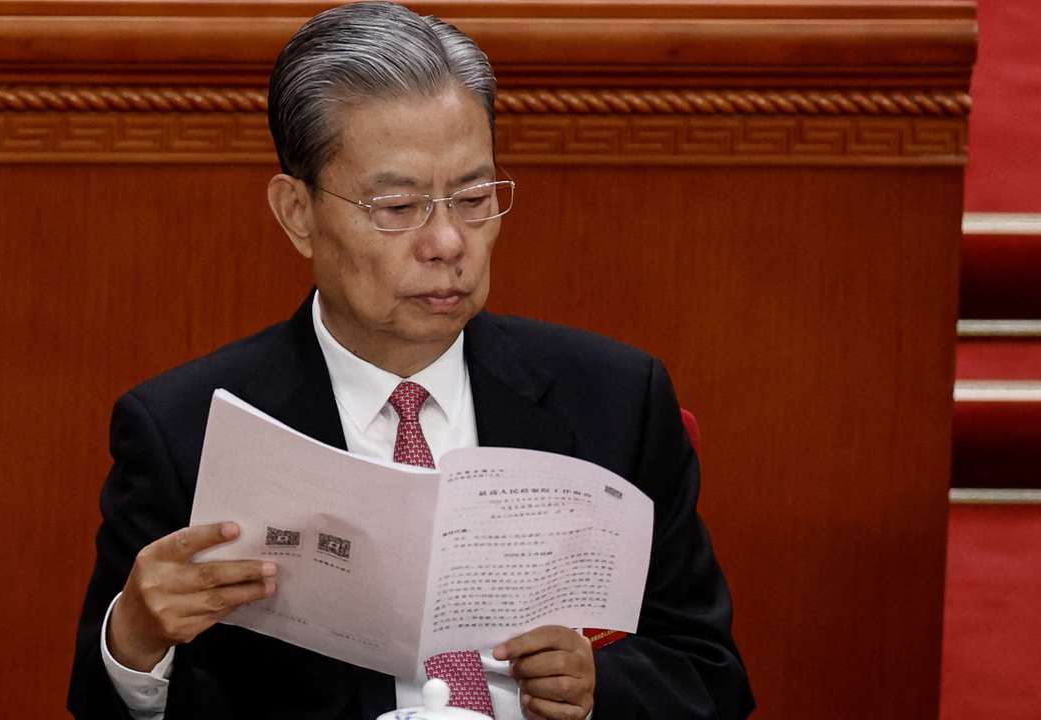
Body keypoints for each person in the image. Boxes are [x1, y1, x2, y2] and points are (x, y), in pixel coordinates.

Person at [68, 3, 754, 719]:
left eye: (474, 197)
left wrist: (597, 691)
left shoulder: (615, 397)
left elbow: (710, 674)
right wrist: (136, 640)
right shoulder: (186, 429)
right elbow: (105, 701)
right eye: (398, 206)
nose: (449, 242)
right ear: (298, 213)